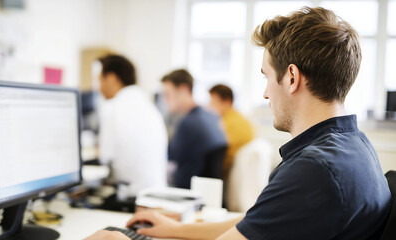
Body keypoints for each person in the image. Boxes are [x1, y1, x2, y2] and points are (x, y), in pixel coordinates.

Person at [86, 7, 392, 240]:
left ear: (292, 78)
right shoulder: (354, 146)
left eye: (266, 76)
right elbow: (256, 223)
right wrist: (178, 228)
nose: (265, 92)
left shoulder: (316, 170)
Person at [98, 54, 168, 204]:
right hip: (159, 193)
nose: (99, 87)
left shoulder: (112, 106)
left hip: (132, 198)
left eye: (100, 80)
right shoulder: (147, 103)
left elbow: (105, 157)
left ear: (111, 78)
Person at [162, 69, 227, 189]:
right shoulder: (212, 116)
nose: (165, 100)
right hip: (211, 192)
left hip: (188, 193)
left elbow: (170, 165)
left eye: (167, 94)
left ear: (183, 89)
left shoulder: (187, 124)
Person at [209, 84, 255, 179]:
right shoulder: (237, 117)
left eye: (213, 102)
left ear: (227, 102)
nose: (210, 105)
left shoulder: (231, 123)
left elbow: (222, 154)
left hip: (224, 172)